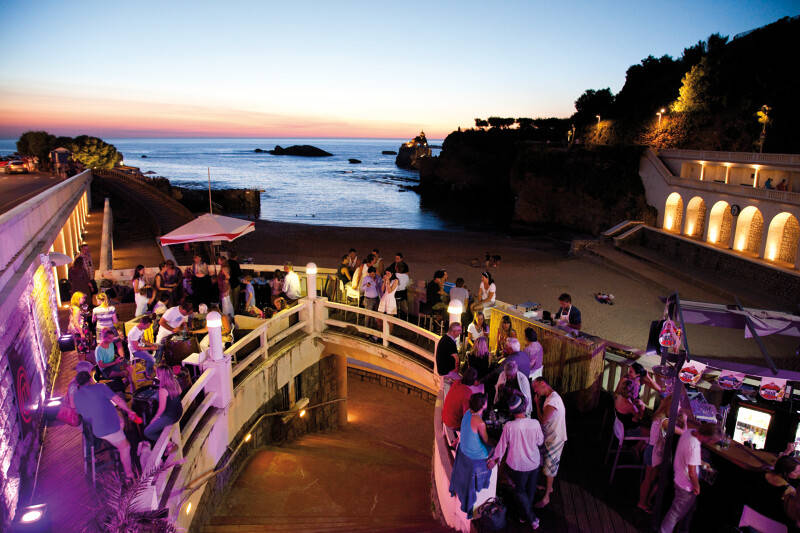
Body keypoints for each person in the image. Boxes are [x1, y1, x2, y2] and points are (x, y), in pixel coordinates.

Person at [488, 394, 544, 530]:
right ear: (524, 408)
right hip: (534, 464)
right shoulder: (535, 423)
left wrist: (495, 459)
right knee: (529, 491)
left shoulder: (509, 426)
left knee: (520, 491)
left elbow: (501, 446)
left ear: (512, 412)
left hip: (518, 466)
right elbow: (540, 441)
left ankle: (530, 518)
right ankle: (525, 516)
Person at [73, 370, 139, 482]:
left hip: (95, 431)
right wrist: (129, 411)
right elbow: (118, 400)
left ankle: (118, 441)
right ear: (90, 379)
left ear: (78, 384)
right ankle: (129, 475)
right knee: (125, 447)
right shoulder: (100, 387)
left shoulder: (76, 395)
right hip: (109, 428)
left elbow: (83, 414)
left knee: (118, 417)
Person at [659, 423, 720, 533]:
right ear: (707, 437)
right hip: (686, 486)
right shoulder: (694, 445)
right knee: (675, 514)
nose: (711, 443)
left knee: (687, 511)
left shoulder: (689, 432)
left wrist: (701, 462)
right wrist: (697, 487)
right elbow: (692, 473)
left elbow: (687, 457)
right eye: (712, 441)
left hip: (679, 477)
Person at [449, 393, 492, 518]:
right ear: (483, 405)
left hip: (463, 449)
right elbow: (486, 440)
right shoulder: (480, 422)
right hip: (475, 455)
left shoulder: (468, 412)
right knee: (495, 451)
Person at [532, 377, 567, 508]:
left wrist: (536, 404)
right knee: (543, 462)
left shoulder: (553, 401)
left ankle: (547, 497)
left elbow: (543, 420)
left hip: (555, 439)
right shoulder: (551, 396)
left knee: (550, 468)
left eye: (536, 387)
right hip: (549, 436)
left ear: (543, 384)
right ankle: (548, 487)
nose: (535, 391)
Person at [752, 456, 800, 526]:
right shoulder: (789, 490)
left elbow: (780, 462)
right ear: (786, 472)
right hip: (770, 520)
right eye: (796, 472)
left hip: (754, 508)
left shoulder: (764, 472)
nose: (799, 473)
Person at [143, 365, 184, 443]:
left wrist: (154, 419)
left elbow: (161, 409)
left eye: (157, 374)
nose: (156, 375)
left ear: (161, 376)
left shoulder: (162, 390)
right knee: (159, 423)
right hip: (179, 412)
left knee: (147, 432)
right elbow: (180, 391)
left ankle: (169, 444)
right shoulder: (174, 381)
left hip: (170, 417)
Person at [615, 362, 660, 431]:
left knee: (646, 411)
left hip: (629, 406)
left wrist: (648, 377)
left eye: (630, 371)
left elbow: (658, 389)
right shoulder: (626, 380)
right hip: (626, 416)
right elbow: (638, 417)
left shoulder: (639, 380)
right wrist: (640, 410)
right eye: (629, 371)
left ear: (638, 375)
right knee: (649, 421)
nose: (628, 373)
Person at [68, 292, 93, 361]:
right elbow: (76, 322)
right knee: (82, 349)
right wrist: (81, 333)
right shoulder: (76, 309)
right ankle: (83, 364)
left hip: (77, 331)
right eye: (82, 298)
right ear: (77, 298)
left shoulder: (73, 307)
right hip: (80, 330)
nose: (84, 300)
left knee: (80, 348)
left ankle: (83, 363)